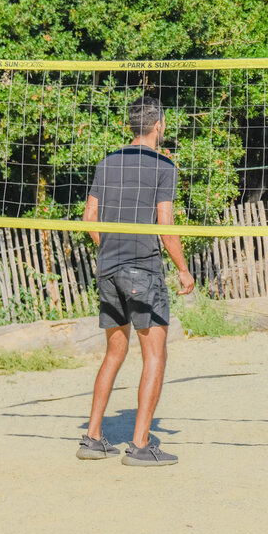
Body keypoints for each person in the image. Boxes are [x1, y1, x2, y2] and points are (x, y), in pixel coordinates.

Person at [78, 95, 194, 466]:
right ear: (158, 125)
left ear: (131, 126)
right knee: (155, 355)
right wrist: (183, 268)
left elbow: (89, 217)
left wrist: (111, 247)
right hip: (142, 268)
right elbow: (166, 225)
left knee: (114, 352)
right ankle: (140, 445)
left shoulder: (108, 161)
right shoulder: (163, 165)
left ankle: (93, 438)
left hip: (107, 267)